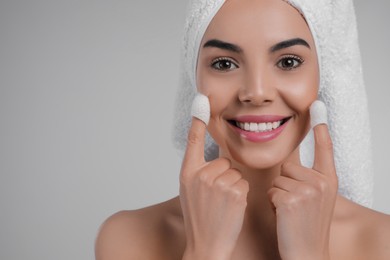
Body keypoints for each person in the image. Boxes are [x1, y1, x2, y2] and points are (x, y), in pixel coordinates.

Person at [95, 0, 390, 259]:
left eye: (288, 61)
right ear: (193, 77)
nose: (256, 92)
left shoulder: (381, 242)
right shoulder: (127, 238)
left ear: (321, 78)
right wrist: (204, 253)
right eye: (224, 64)